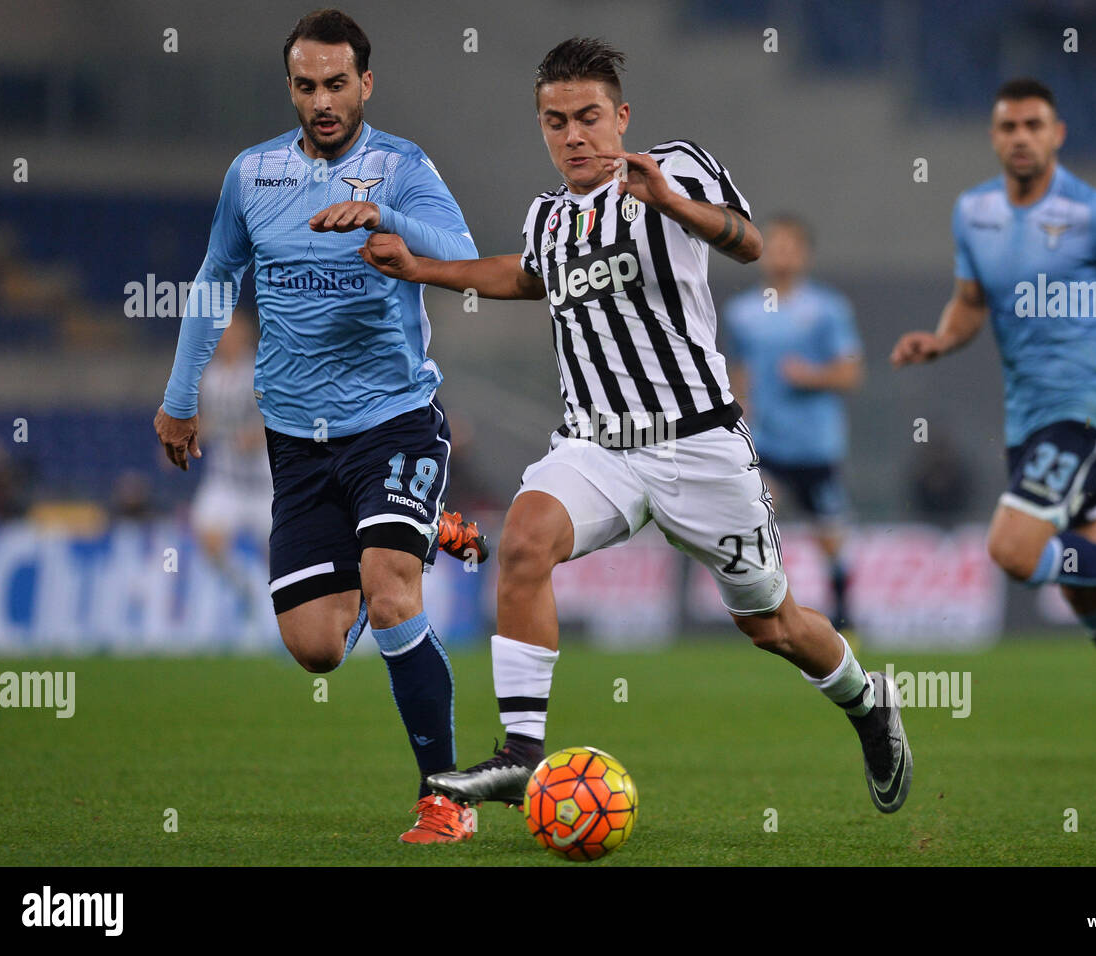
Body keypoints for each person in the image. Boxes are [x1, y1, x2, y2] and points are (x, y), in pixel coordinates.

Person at [357, 37, 912, 816]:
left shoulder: (674, 167)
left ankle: (866, 702)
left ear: (621, 117)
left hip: (699, 442)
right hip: (596, 446)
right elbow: (523, 275)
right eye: (556, 122)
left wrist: (673, 204)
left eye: (588, 118)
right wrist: (423, 268)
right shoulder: (549, 216)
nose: (573, 136)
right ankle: (521, 753)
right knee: (523, 543)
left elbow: (748, 244)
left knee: (773, 623)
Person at [154, 9, 489, 844]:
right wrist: (180, 395)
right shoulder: (252, 174)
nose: (322, 100)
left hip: (395, 421)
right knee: (315, 647)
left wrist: (385, 222)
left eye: (337, 84)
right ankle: (418, 528)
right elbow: (214, 280)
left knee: (389, 587)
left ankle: (444, 798)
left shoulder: (402, 167)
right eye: (306, 85)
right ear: (292, 88)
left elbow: (461, 249)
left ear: (365, 83)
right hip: (297, 441)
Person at [891, 78, 1096, 775]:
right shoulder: (972, 212)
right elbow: (971, 303)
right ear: (994, 135)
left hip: (1089, 411)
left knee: (1011, 550)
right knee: (1085, 595)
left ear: (1058, 134)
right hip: (1027, 422)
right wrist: (941, 341)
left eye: (1034, 124)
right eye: (1008, 126)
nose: (1021, 137)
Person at [723, 216, 864, 628]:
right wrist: (738, 411)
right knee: (754, 521)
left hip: (816, 444)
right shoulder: (743, 312)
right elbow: (740, 372)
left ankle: (844, 617)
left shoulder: (827, 309)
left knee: (831, 538)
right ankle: (764, 614)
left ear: (805, 254)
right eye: (775, 244)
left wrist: (812, 376)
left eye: (790, 245)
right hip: (765, 442)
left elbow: (851, 374)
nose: (781, 253)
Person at [188, 312, 273, 639]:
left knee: (277, 558)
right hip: (224, 480)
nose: (223, 338)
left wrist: (258, 435)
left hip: (263, 484)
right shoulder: (209, 376)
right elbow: (209, 421)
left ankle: (277, 617)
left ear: (244, 335)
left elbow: (279, 416)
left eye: (229, 332)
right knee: (208, 537)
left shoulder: (260, 370)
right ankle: (244, 587)